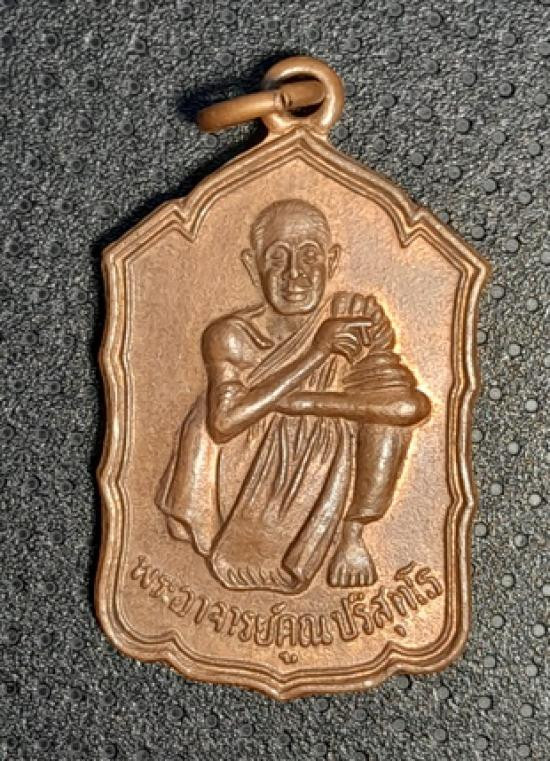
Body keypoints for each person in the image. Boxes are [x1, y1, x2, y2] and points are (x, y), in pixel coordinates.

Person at [156, 199, 430, 593]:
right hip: (242, 464)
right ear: (253, 266)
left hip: (327, 458)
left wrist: (305, 404)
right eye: (278, 258)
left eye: (310, 256)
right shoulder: (230, 335)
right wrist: (317, 352)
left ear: (332, 262)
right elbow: (224, 422)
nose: (295, 273)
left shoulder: (354, 316)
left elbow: (410, 407)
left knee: (386, 421)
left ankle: (352, 536)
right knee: (212, 409)